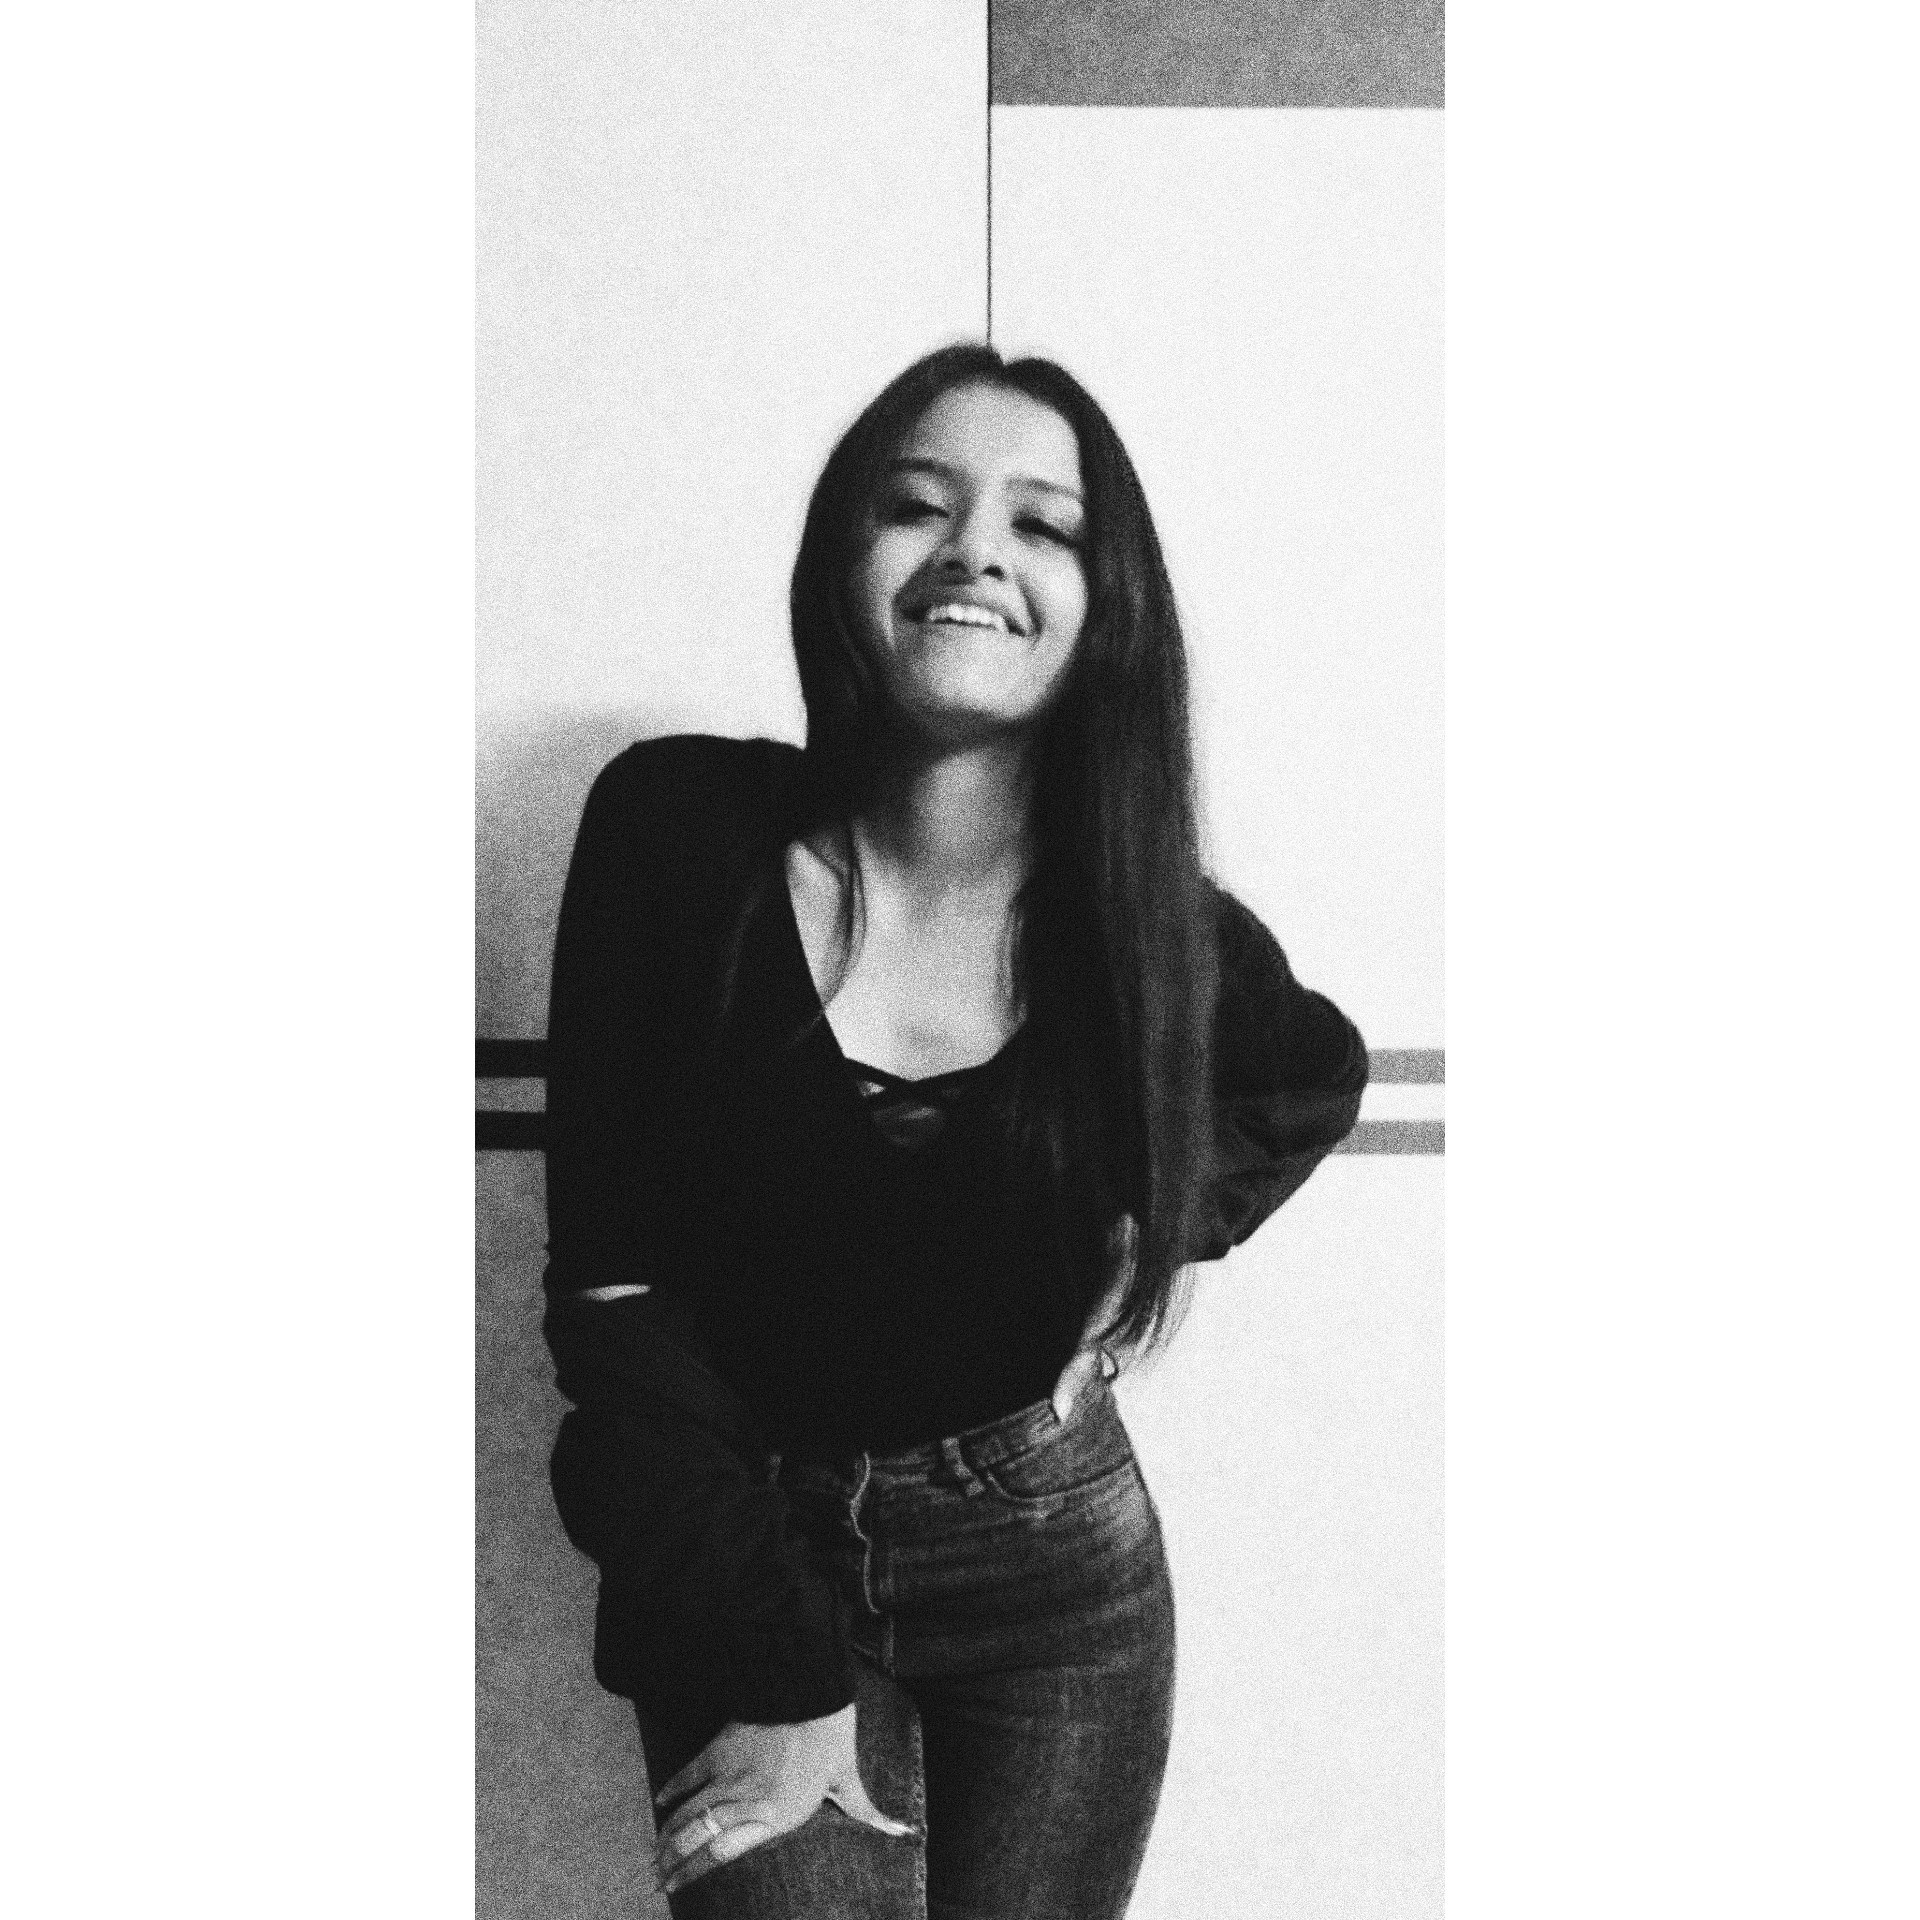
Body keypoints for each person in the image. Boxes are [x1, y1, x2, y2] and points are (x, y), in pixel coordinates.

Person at [540, 342, 1368, 1919]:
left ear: (1107, 608)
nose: (977, 549)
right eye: (917, 504)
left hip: (1055, 1578)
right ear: (841, 556)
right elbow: (616, 1315)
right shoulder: (672, 835)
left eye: (1043, 524)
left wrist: (1145, 1224)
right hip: (742, 1550)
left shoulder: (1144, 928)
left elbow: (1307, 1074)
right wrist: (781, 1675)